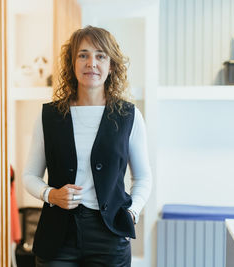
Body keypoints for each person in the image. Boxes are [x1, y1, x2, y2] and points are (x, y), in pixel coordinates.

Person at [22, 25, 152, 267]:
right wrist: (52, 194)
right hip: (57, 237)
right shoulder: (49, 116)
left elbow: (143, 178)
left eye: (100, 55)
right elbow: (30, 175)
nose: (91, 63)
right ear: (73, 63)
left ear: (111, 65)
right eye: (83, 55)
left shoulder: (129, 116)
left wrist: (131, 213)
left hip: (109, 236)